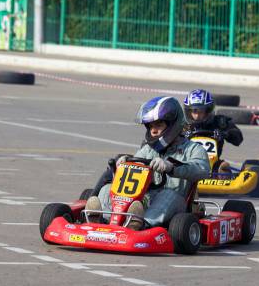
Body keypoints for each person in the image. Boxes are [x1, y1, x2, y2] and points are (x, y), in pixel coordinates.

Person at [85, 96, 210, 231]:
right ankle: (103, 221)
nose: (153, 131)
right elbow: (135, 167)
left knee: (167, 195)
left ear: (173, 124)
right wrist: (125, 163)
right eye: (151, 126)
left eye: (158, 125)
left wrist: (171, 167)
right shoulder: (148, 150)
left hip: (176, 204)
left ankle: (141, 224)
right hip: (145, 200)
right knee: (107, 189)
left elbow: (202, 170)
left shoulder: (193, 149)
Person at [182, 89, 243, 174]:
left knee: (224, 168)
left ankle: (219, 176)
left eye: (201, 111)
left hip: (214, 166)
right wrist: (182, 136)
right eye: (194, 111)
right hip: (185, 163)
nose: (197, 115)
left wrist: (226, 134)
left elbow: (238, 138)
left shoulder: (219, 122)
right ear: (189, 112)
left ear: (208, 111)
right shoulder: (182, 125)